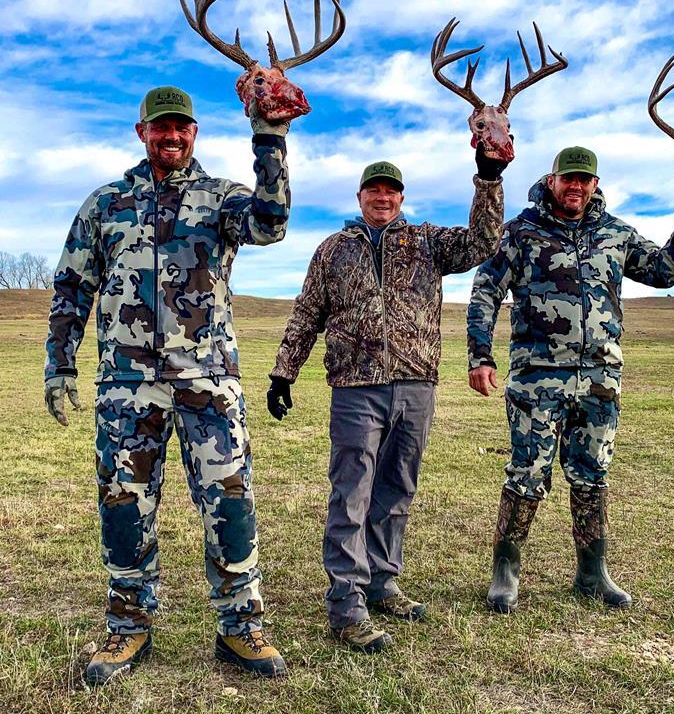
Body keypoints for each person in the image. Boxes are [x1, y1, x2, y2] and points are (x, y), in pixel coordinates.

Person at [44, 85, 295, 683]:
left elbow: (270, 224)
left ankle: (240, 626)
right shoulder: (105, 204)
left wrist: (270, 138)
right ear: (143, 133)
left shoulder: (222, 198)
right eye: (161, 127)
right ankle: (128, 625)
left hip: (209, 381)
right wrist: (59, 364)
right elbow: (72, 287)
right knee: (124, 505)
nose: (172, 136)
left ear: (195, 132)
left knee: (230, 503)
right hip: (127, 385)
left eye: (182, 127)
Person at [266, 149, 505, 651]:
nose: (382, 197)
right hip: (356, 388)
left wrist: (488, 177)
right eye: (373, 189)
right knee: (351, 494)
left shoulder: (427, 242)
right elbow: (307, 313)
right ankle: (347, 605)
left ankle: (382, 582)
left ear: (401, 198)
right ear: (359, 196)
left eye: (390, 190)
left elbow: (483, 241)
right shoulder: (333, 251)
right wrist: (284, 373)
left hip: (416, 385)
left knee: (396, 490)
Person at [466, 145, 674, 613]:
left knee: (592, 474)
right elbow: (485, 292)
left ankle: (592, 573)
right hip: (537, 378)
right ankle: (505, 572)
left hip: (600, 378)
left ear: (595, 184)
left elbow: (665, 272)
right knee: (526, 473)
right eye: (568, 179)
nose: (576, 187)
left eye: (585, 180)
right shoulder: (520, 232)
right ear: (553, 180)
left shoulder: (616, 234)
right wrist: (481, 355)